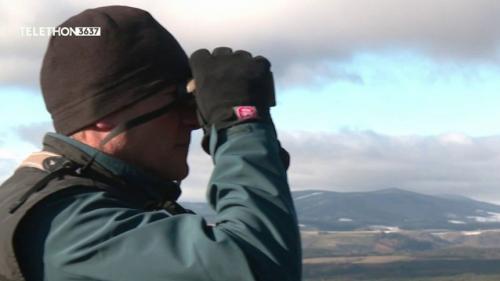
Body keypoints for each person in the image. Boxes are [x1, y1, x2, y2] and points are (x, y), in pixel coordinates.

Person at [0, 5, 301, 281]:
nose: (194, 121)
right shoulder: (61, 225)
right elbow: (257, 266)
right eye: (178, 104)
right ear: (105, 113)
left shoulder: (84, 202)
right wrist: (240, 124)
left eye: (195, 105)